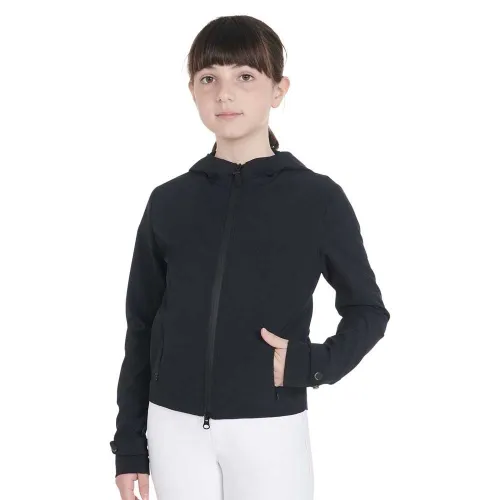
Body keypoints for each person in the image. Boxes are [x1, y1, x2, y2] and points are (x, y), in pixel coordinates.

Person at [110, 14, 390, 500]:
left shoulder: (317, 199)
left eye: (244, 76)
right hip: (172, 428)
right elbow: (141, 326)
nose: (224, 94)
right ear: (192, 90)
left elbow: (368, 310)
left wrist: (312, 364)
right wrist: (130, 444)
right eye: (209, 78)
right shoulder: (169, 201)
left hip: (270, 429)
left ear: (278, 90)